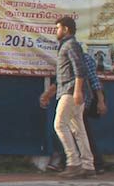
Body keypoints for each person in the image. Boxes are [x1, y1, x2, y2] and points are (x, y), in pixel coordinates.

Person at [40, 16, 96, 179]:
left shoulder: (71, 45)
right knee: (78, 129)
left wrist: (78, 91)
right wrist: (48, 93)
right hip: (69, 89)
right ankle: (87, 165)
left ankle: (74, 163)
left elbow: (80, 69)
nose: (56, 31)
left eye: (58, 28)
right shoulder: (65, 46)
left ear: (65, 29)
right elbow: (63, 76)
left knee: (59, 124)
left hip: (71, 91)